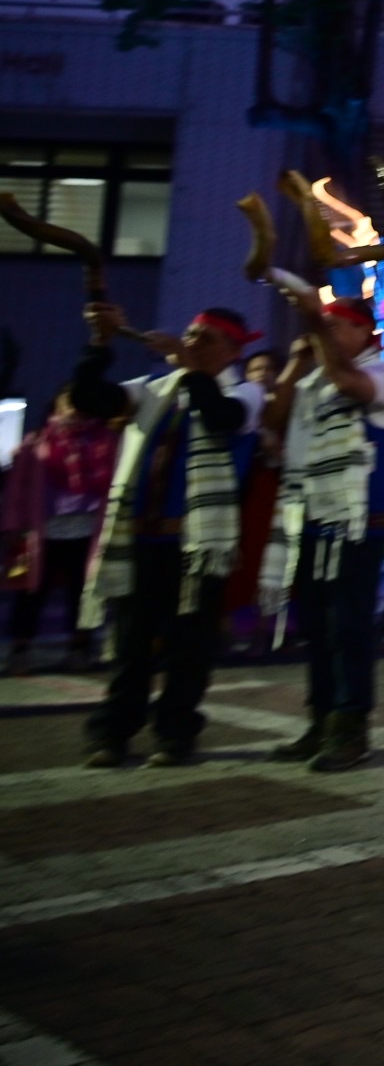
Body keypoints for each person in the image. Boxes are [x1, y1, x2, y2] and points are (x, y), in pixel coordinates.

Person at [73, 302, 267, 767]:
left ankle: (176, 734)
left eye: (205, 339)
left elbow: (220, 417)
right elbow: (88, 400)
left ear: (234, 352)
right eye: (190, 334)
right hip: (142, 539)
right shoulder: (154, 388)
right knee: (131, 645)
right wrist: (100, 343)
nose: (192, 343)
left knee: (189, 648)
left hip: (198, 544)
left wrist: (187, 363)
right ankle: (112, 733)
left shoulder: (245, 392)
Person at [260, 294, 384, 773]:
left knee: (349, 626)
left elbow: (349, 383)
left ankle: (350, 727)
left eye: (337, 326)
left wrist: (315, 328)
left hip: (358, 520)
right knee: (317, 627)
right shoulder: (312, 381)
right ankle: (321, 720)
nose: (325, 333)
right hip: (312, 515)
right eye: (323, 325)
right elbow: (272, 420)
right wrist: (295, 363)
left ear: (367, 333)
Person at [4, 386, 121, 674]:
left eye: (81, 405)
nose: (75, 411)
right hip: (42, 532)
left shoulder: (106, 440)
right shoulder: (37, 441)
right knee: (31, 592)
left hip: (88, 530)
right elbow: (17, 486)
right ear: (56, 406)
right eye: (69, 403)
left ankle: (79, 648)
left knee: (84, 593)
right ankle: (20, 650)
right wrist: (12, 525)